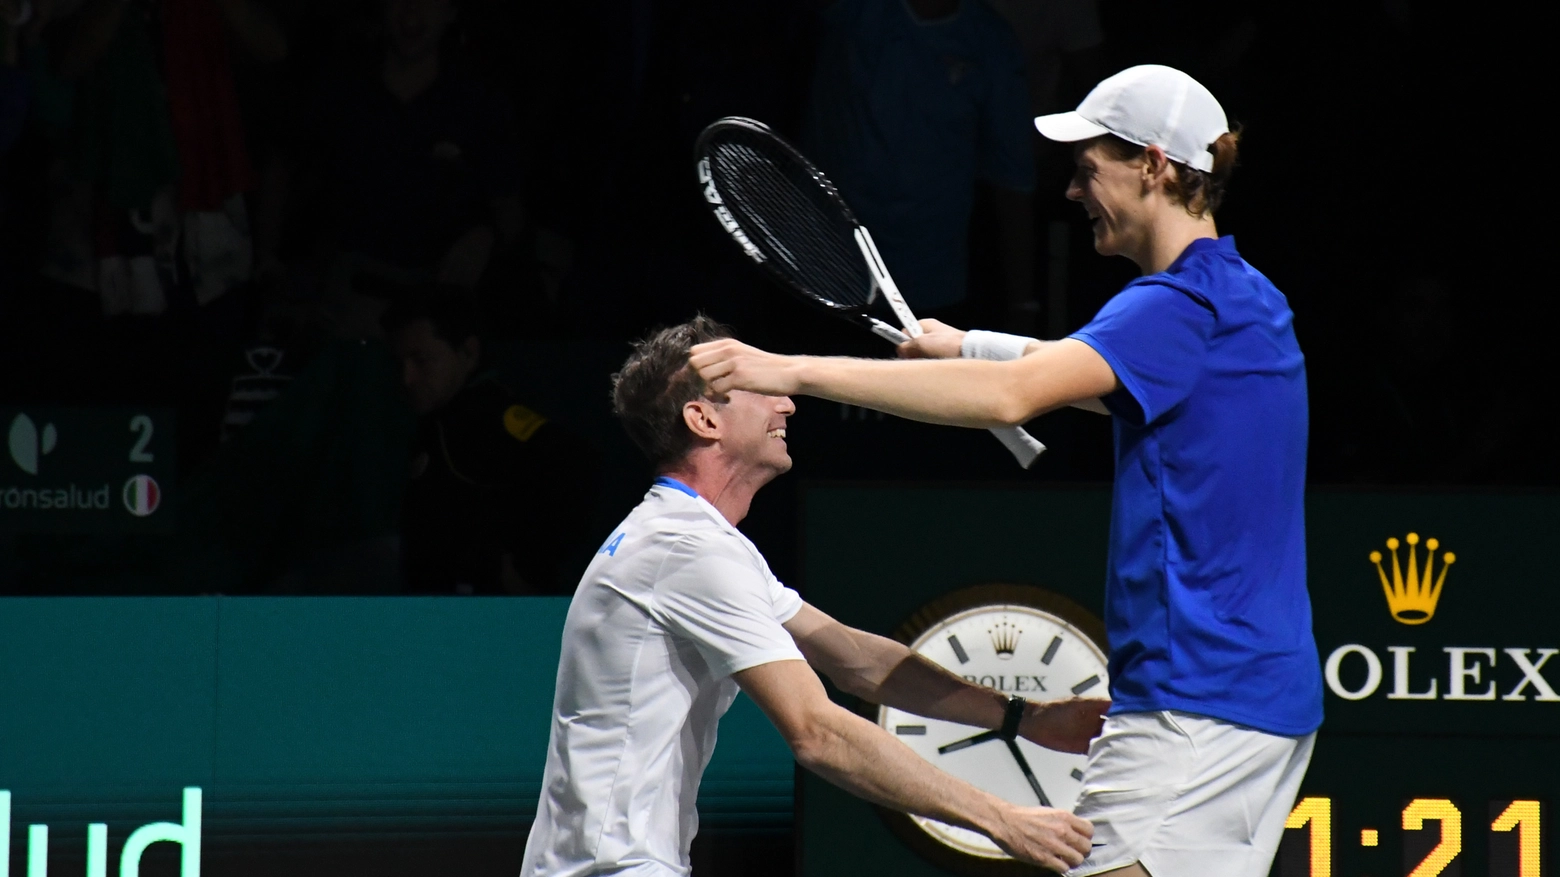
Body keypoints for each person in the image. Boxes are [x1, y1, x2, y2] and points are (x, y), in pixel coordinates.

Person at [690, 65, 1323, 877]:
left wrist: (791, 370)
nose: (1071, 192)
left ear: (1154, 165)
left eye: (1088, 167)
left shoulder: (1173, 307)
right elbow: (1093, 380)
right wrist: (966, 344)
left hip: (1195, 698)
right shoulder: (1245, 301)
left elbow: (1015, 396)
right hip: (1262, 697)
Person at [522, 315, 1103, 876]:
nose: (787, 403)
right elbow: (817, 732)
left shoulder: (700, 541)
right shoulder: (685, 549)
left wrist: (1023, 718)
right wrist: (1001, 818)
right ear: (703, 420)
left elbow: (854, 659)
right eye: (758, 386)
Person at [801, 0, 1035, 319]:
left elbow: (1013, 174)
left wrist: (1023, 302)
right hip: (830, 269)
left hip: (932, 280)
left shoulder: (990, 39)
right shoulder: (851, 15)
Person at [384, 289, 595, 595]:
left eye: (421, 360)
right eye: (399, 362)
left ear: (468, 352)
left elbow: (577, 461)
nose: (407, 378)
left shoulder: (491, 414)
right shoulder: (436, 422)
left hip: (481, 618)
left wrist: (529, 569)